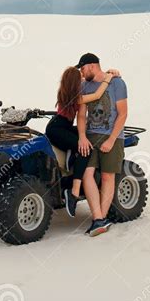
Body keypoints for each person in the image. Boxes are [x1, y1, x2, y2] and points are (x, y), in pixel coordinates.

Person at [45, 66, 120, 220]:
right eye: (79, 77)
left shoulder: (66, 90)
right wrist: (108, 79)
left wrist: (110, 72)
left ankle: (72, 161)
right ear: (75, 82)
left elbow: (91, 76)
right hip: (58, 130)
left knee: (85, 136)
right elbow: (98, 94)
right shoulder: (75, 96)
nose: (82, 78)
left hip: (59, 126)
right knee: (87, 149)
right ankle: (74, 190)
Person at [76, 52, 128, 237]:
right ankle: (98, 218)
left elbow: (122, 114)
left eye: (82, 69)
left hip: (111, 136)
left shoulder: (116, 83)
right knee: (87, 173)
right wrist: (82, 136)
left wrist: (112, 139)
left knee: (107, 177)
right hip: (90, 137)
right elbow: (81, 115)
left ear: (91, 65)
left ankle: (101, 219)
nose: (82, 73)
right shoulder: (84, 86)